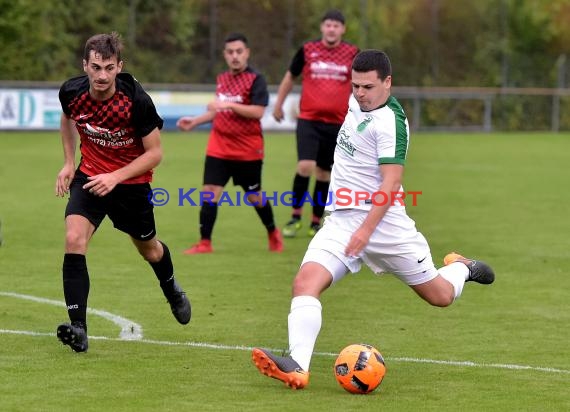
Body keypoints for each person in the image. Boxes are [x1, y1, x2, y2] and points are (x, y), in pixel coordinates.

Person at [252, 50, 495, 389]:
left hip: (385, 227)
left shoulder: (391, 123)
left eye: (368, 86)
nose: (360, 93)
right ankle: (297, 366)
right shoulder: (357, 103)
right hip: (341, 222)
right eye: (356, 86)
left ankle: (462, 268)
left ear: (388, 83)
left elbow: (391, 182)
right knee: (305, 283)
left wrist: (367, 230)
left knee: (439, 296)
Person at [55, 32, 191, 353]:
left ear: (120, 67)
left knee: (150, 250)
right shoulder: (72, 92)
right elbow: (67, 118)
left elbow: (154, 153)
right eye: (96, 67)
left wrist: (115, 177)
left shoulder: (136, 101)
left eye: (109, 68)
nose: (102, 75)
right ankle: (79, 328)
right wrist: (67, 162)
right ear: (85, 66)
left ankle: (171, 289)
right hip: (89, 177)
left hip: (130, 185)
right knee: (74, 239)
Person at [177, 33, 283, 254]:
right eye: (230, 52)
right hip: (219, 147)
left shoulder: (256, 79)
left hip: (247, 151)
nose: (235, 56)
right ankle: (205, 242)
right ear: (225, 55)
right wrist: (195, 121)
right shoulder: (222, 78)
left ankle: (273, 232)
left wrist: (229, 105)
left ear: (247, 53)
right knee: (209, 192)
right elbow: (218, 110)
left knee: (255, 196)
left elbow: (258, 112)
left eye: (239, 51)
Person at [273, 9, 359, 238]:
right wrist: (278, 104)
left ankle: (315, 221)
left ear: (343, 29)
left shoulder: (352, 53)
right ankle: (294, 217)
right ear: (322, 27)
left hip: (337, 124)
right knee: (305, 166)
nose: (331, 29)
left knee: (323, 174)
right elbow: (290, 76)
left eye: (336, 25)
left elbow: (364, 82)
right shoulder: (308, 50)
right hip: (309, 120)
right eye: (328, 25)